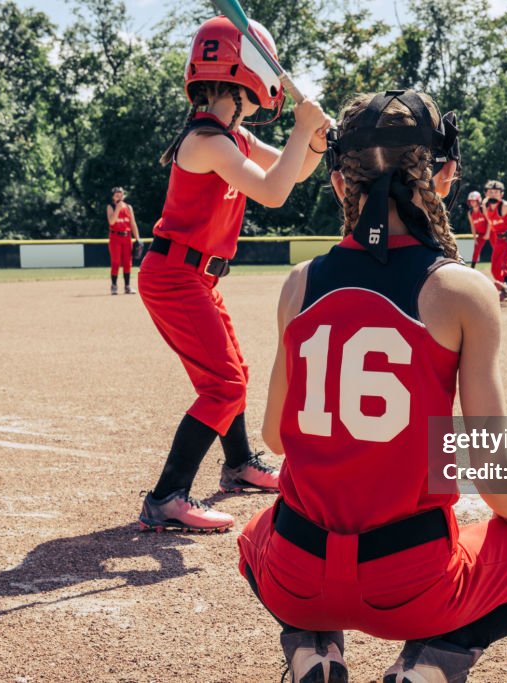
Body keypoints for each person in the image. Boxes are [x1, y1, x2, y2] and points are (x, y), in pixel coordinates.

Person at [238, 90, 507, 683]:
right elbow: (493, 473)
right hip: (411, 584)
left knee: (255, 538)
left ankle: (312, 646)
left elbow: (275, 437)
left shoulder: (299, 284)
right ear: (446, 175)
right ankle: (431, 663)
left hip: (298, 575)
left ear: (336, 183)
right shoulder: (460, 290)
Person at [136, 16, 331, 533]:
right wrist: (301, 127)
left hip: (196, 277)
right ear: (250, 76)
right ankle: (165, 497)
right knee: (223, 385)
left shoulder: (233, 137)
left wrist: (311, 141)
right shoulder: (205, 141)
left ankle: (239, 465)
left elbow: (292, 172)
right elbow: (272, 191)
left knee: (233, 376)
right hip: (174, 275)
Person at [107, 187, 142, 294]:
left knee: (127, 262)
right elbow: (112, 222)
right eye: (117, 195)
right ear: (113, 197)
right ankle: (114, 286)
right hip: (115, 237)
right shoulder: (111, 207)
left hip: (127, 237)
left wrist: (138, 238)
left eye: (121, 194)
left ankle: (127, 286)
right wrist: (117, 208)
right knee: (116, 262)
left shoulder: (128, 207)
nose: (119, 196)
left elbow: (133, 224)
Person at [466, 191, 488, 268]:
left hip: (490, 232)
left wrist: (488, 233)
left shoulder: (483, 209)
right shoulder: (470, 212)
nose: (472, 202)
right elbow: (472, 226)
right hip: (481, 234)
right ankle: (472, 267)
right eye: (470, 201)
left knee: (497, 247)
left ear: (478, 200)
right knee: (476, 250)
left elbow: (489, 221)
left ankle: (501, 264)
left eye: (474, 200)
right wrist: (475, 237)